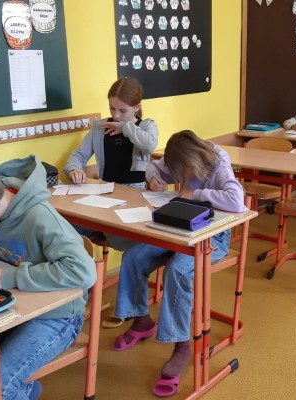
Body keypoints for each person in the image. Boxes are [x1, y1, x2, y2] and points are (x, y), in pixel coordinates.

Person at [111, 130, 247, 397]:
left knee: (178, 269)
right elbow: (153, 166)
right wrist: (154, 179)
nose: (177, 174)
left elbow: (237, 201)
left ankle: (181, 345)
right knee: (134, 257)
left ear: (193, 160)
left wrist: (195, 194)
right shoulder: (177, 158)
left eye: (181, 170)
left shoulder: (217, 162)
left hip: (213, 235)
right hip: (178, 224)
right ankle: (141, 321)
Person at [0, 156, 96, 400]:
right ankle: (26, 390)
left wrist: (9, 277)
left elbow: (84, 271)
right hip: (16, 305)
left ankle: (20, 391)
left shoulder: (40, 218)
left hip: (58, 317)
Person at [63, 76, 158, 251]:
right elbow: (79, 154)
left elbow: (150, 144)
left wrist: (125, 127)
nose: (116, 115)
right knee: (66, 226)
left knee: (126, 237)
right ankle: (98, 237)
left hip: (134, 194)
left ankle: (108, 236)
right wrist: (74, 168)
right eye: (112, 108)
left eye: (123, 111)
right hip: (106, 192)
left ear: (137, 107)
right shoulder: (100, 127)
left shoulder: (146, 126)